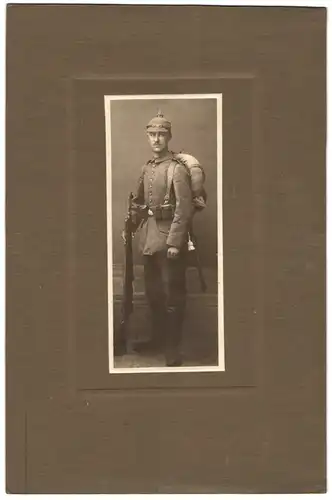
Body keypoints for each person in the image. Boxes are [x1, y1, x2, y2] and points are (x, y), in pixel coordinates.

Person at [125, 110, 196, 367]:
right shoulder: (147, 168)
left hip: (169, 241)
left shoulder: (176, 170)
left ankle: (172, 348)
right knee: (154, 293)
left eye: (161, 135)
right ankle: (157, 339)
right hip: (149, 239)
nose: (156, 140)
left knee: (172, 295)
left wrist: (175, 243)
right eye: (152, 135)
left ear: (169, 137)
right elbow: (140, 203)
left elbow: (184, 209)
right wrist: (131, 222)